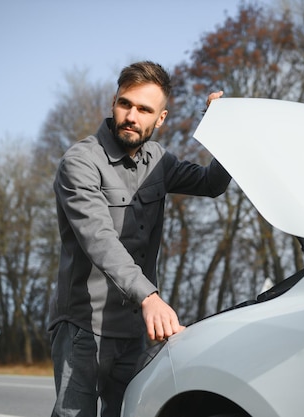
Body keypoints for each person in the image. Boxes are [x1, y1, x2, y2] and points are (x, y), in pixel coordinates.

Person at [48, 61, 231, 417]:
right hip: (83, 328)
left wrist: (221, 127)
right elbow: (98, 237)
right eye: (125, 104)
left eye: (144, 109)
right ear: (114, 102)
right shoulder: (81, 162)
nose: (131, 115)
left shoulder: (159, 162)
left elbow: (212, 184)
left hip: (133, 332)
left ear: (160, 119)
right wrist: (149, 296)